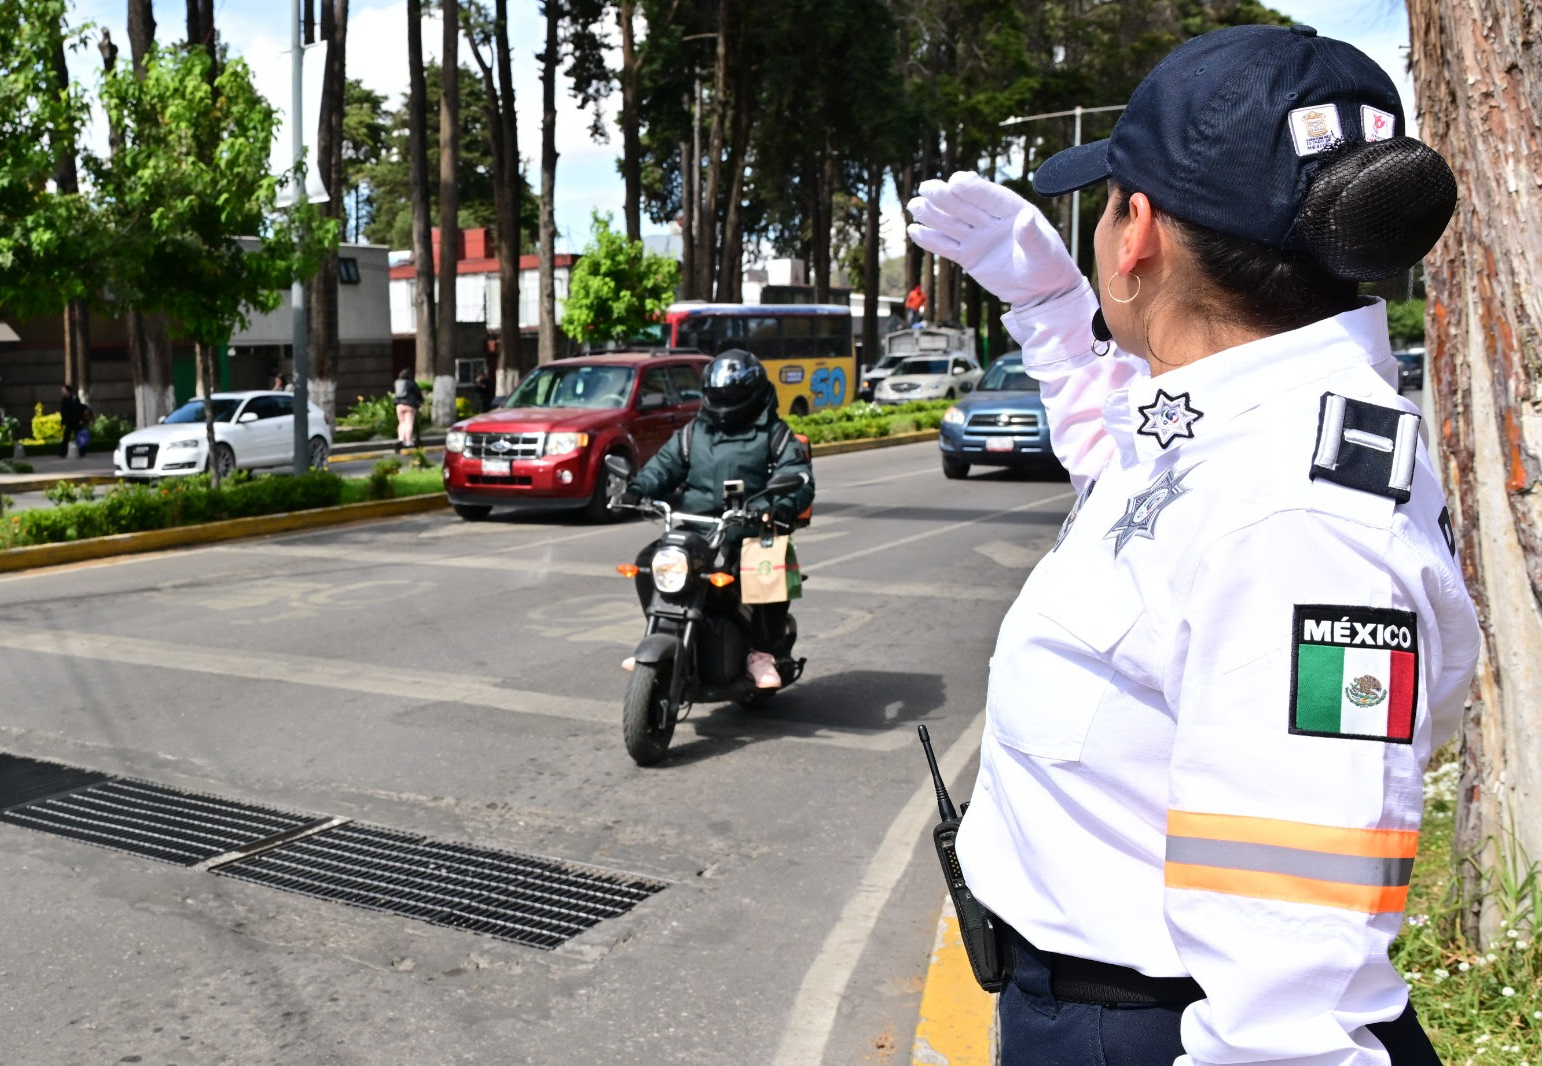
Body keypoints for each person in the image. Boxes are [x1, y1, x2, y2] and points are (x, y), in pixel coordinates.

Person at [907, 24, 1478, 1066]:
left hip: (1156, 1031)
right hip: (1097, 1010)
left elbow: (1292, 995)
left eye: (1110, 199)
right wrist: (1048, 307)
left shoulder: (1296, 526)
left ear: (1139, 236)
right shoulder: (1239, 433)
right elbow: (1129, 482)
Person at [620, 349, 815, 688]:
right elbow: (663, 466)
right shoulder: (694, 433)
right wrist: (637, 489)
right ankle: (659, 631)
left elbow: (796, 473)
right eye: (719, 393)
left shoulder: (773, 432)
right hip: (697, 526)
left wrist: (781, 504)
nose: (725, 399)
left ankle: (762, 653)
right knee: (648, 564)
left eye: (733, 394)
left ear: (752, 394)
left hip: (751, 527)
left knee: (764, 567)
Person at [392, 368, 423, 452]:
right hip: (410, 405)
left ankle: (401, 439)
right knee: (409, 423)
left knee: (401, 423)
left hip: (399, 405)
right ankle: (408, 441)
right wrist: (420, 401)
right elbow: (418, 394)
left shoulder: (397, 383)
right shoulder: (411, 383)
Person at [58, 383, 88, 459]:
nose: (62, 391)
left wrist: (81, 420)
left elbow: (79, 410)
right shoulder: (64, 400)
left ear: (68, 391)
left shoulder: (74, 399)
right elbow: (63, 412)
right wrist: (62, 423)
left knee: (79, 437)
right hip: (69, 422)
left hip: (76, 421)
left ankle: (82, 452)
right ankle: (63, 453)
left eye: (63, 390)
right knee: (66, 437)